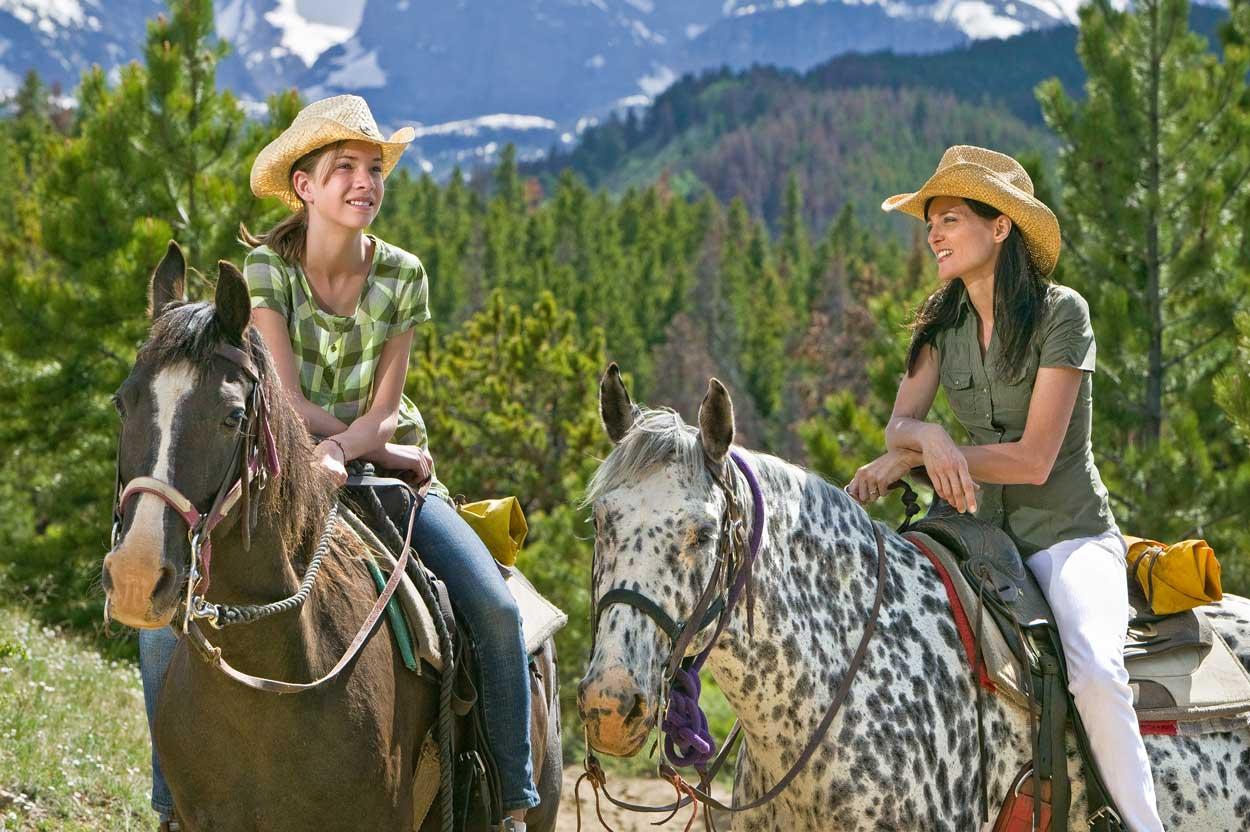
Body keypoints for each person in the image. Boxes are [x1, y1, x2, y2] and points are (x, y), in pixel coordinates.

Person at [138, 95, 538, 832]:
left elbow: (386, 407)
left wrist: (357, 449)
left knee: (493, 605)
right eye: (344, 168)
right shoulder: (264, 273)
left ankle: (513, 799)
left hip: (391, 480)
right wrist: (359, 445)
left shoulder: (403, 274)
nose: (365, 182)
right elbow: (283, 399)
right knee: (164, 621)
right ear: (305, 187)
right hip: (286, 474)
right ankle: (172, 802)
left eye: (374, 168)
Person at [845, 145, 1163, 831]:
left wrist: (914, 455)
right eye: (930, 221)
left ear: (1000, 228)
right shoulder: (940, 323)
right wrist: (923, 442)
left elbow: (1033, 460)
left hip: (1064, 536)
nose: (934, 233)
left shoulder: (1062, 315)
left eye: (951, 218)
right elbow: (900, 419)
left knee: (1097, 673)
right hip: (970, 539)